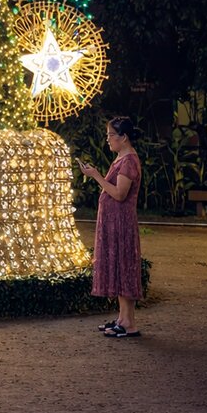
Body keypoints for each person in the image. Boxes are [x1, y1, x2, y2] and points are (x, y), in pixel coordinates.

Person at [78, 116, 143, 339]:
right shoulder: (120, 159)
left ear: (124, 137)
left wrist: (95, 175)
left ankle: (129, 323)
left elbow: (119, 193)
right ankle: (123, 319)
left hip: (121, 224)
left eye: (111, 135)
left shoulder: (129, 161)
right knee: (117, 266)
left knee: (124, 267)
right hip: (113, 223)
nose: (107, 140)